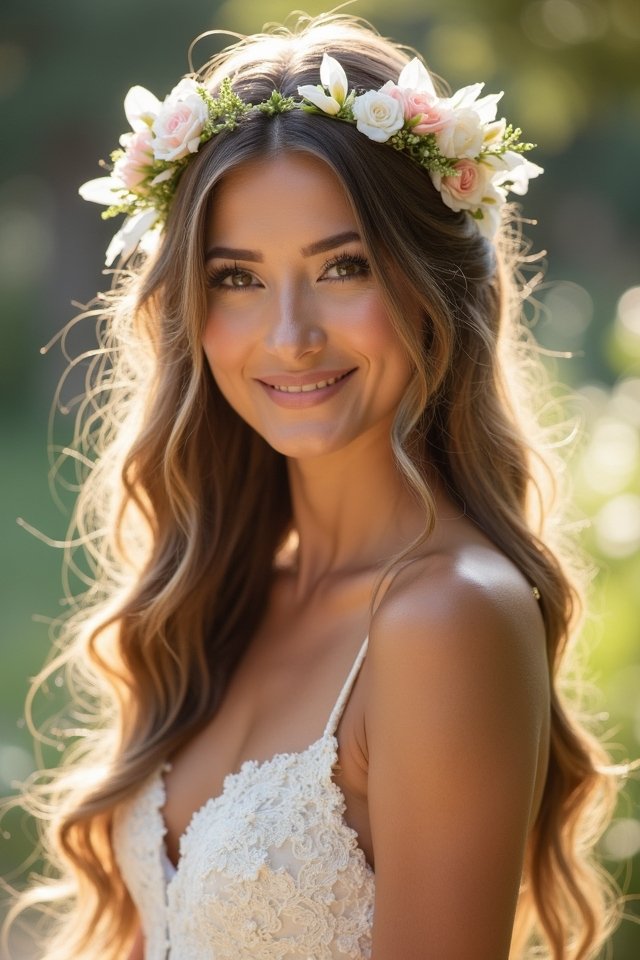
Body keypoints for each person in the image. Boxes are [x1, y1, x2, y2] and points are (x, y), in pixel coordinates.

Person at [1, 11, 623, 960]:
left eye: (344, 267)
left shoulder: (444, 619)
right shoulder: (227, 594)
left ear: (431, 282)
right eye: (237, 278)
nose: (289, 335)